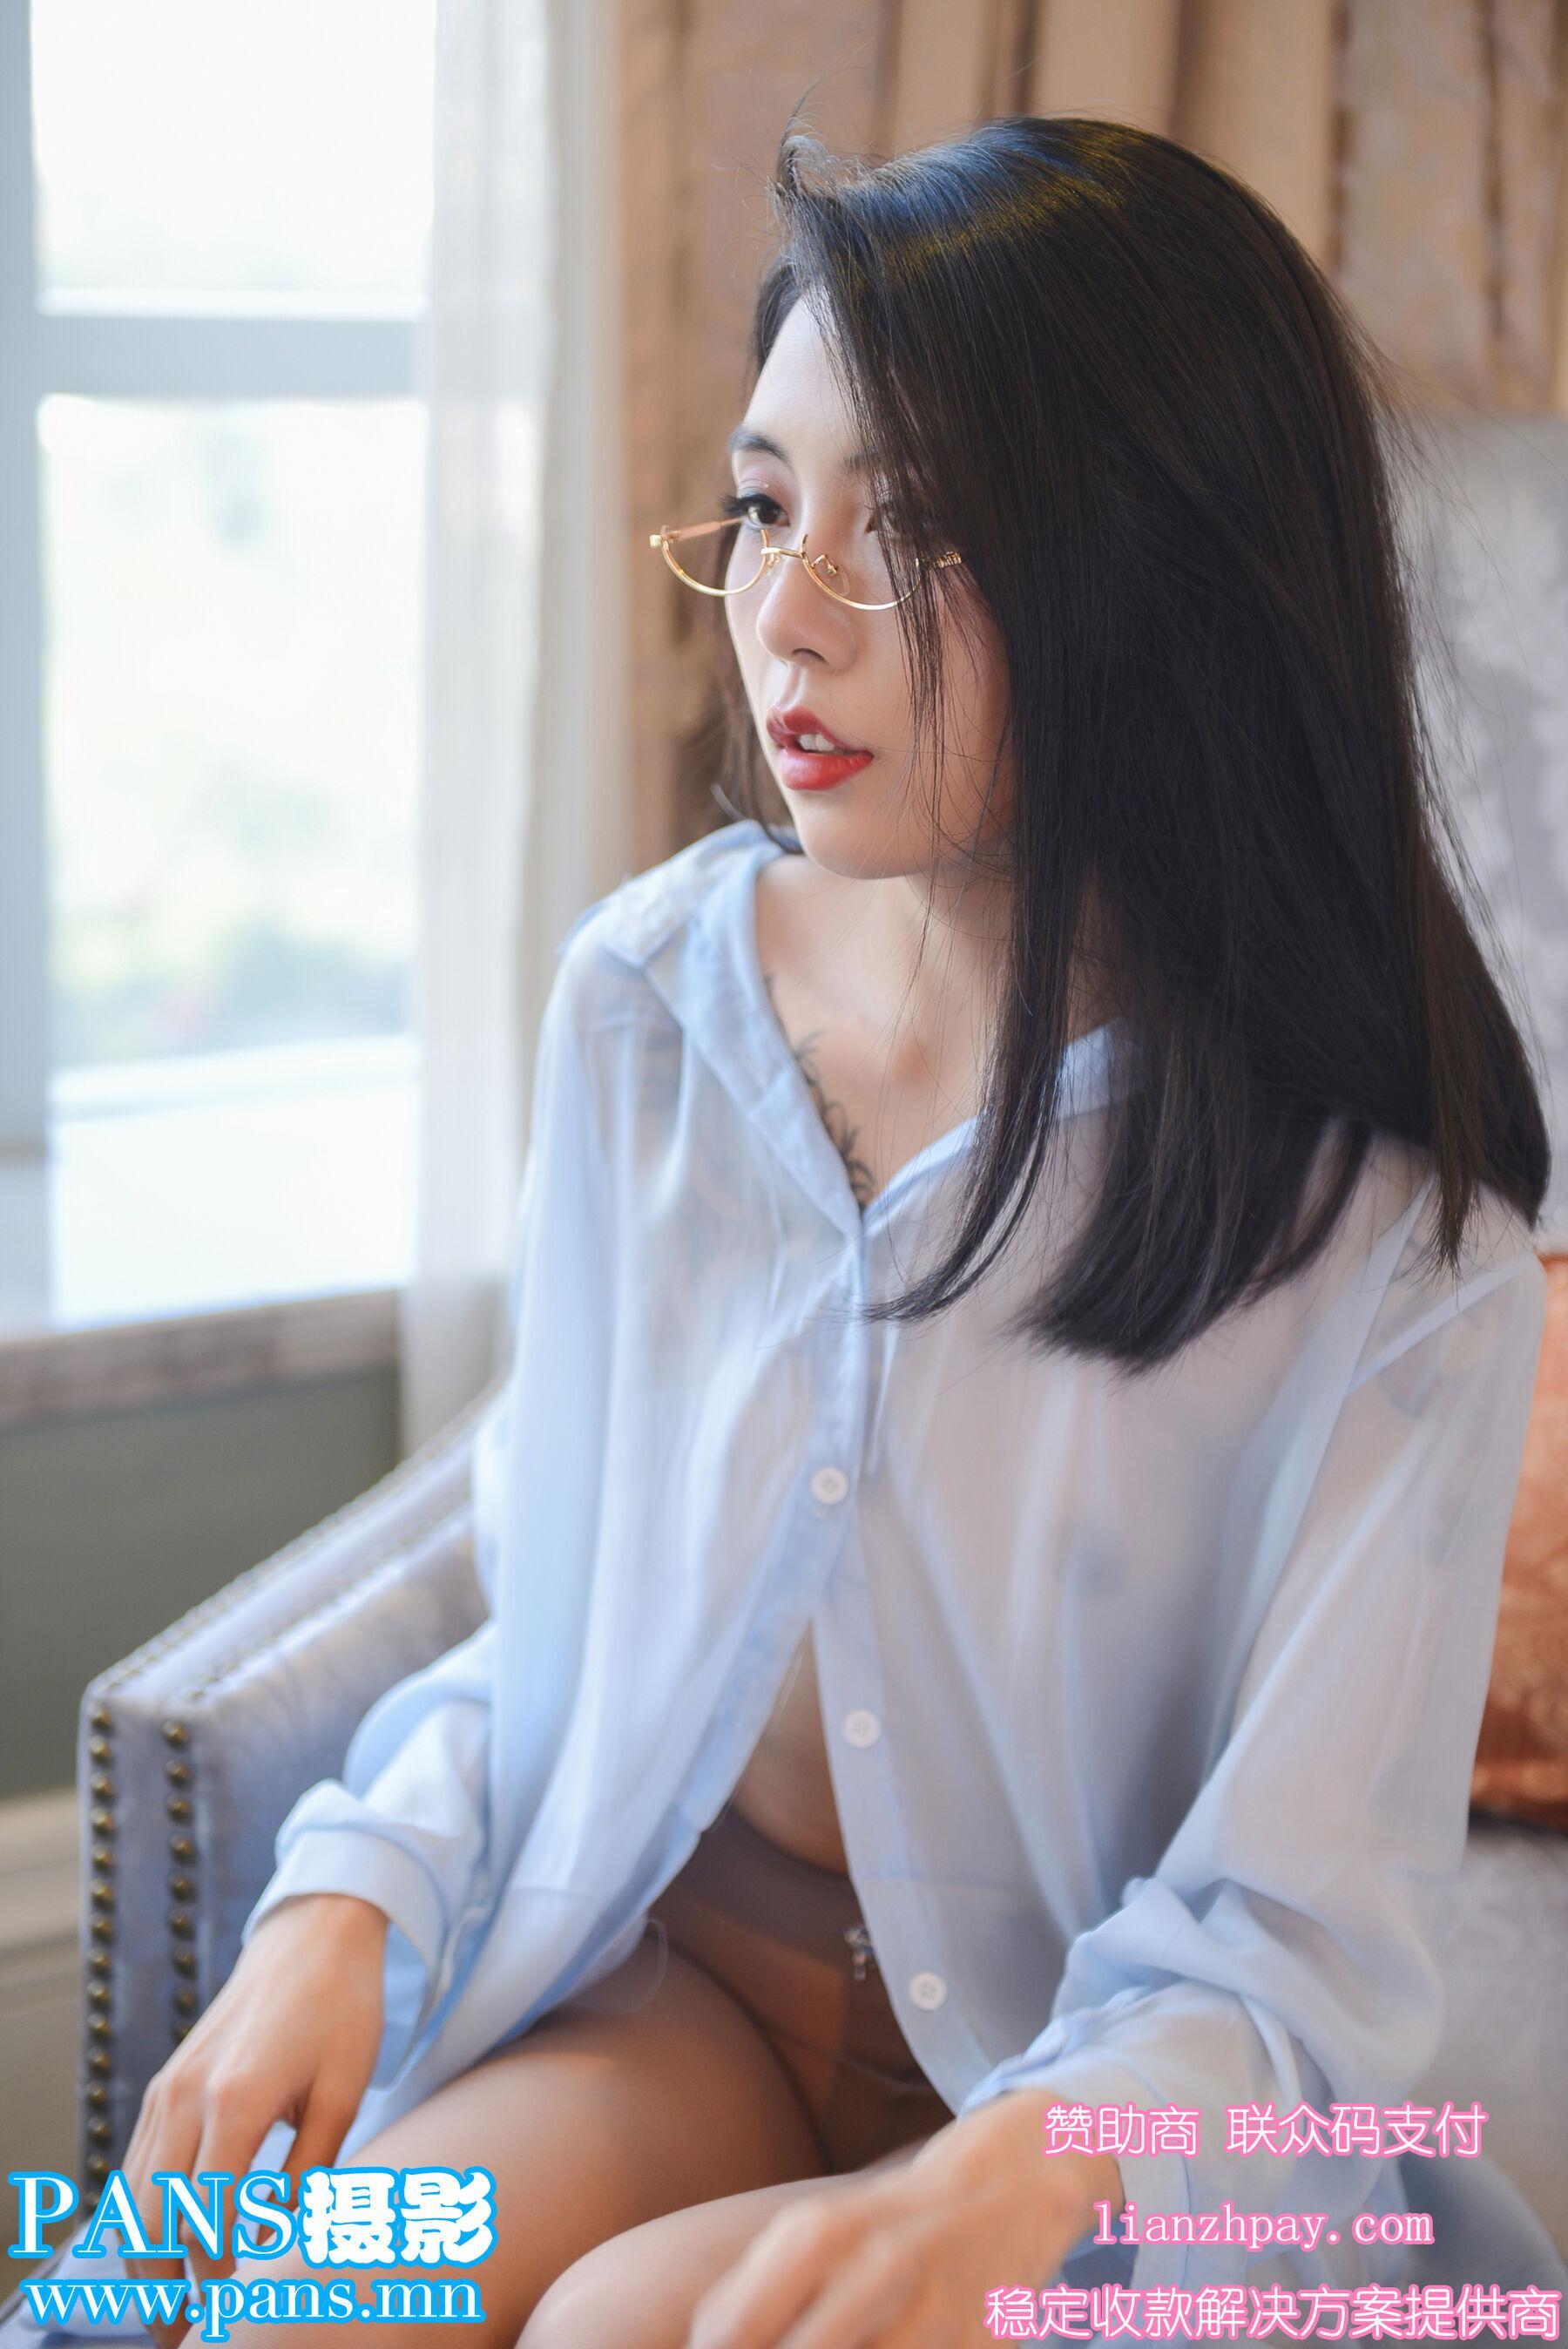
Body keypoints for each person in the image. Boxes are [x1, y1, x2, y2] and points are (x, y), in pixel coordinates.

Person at [115, 113, 1561, 2349]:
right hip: (678, 1990)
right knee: (291, 2308)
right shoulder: (648, 1009)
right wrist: (350, 1895)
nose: (785, 616)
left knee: (632, 2331)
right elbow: (551, 1605)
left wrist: (996, 2191)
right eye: (768, 505)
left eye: (921, 535)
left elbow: (1296, 1937)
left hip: (1109, 2132)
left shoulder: (1391, 1239)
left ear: (1163, 583)